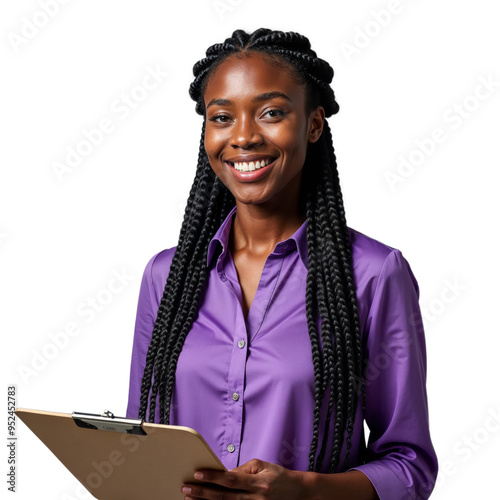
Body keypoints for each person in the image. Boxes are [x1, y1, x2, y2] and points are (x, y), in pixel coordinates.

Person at [126, 28, 438, 499]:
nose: (245, 136)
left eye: (272, 113)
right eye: (222, 117)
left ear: (313, 125)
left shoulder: (373, 275)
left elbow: (409, 468)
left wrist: (303, 490)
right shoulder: (165, 277)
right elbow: (139, 446)